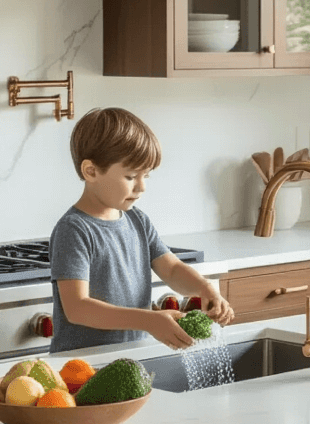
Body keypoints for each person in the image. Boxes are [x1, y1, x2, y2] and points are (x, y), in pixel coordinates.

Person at [49, 106, 234, 354]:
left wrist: (204, 287)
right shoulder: (74, 230)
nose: (142, 186)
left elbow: (172, 269)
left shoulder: (137, 220)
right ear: (91, 171)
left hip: (131, 358)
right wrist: (149, 320)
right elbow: (78, 308)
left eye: (146, 175)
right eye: (131, 176)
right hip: (82, 368)